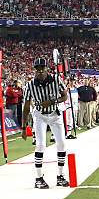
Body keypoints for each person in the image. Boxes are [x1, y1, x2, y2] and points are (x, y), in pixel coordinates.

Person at [21, 58, 69, 188]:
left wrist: (53, 101)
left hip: (55, 114)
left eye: (42, 68)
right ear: (34, 70)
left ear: (47, 68)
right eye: (37, 68)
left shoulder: (56, 79)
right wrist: (24, 127)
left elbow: (65, 96)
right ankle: (38, 178)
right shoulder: (30, 85)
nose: (40, 70)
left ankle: (60, 176)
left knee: (62, 144)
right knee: (40, 145)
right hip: (40, 115)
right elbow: (25, 107)